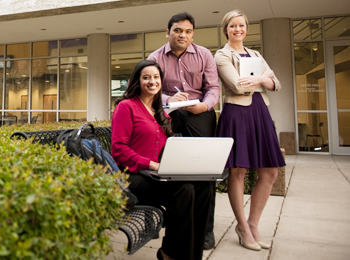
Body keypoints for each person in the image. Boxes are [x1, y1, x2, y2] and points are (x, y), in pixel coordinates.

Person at [111, 60, 212, 260]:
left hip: (157, 174)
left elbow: (166, 148)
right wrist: (150, 164)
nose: (152, 81)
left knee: (205, 185)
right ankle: (170, 254)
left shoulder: (161, 112)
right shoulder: (126, 107)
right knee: (184, 189)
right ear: (137, 81)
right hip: (133, 175)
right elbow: (118, 149)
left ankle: (193, 254)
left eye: (156, 77)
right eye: (146, 77)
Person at [214, 10, 286, 251]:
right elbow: (237, 86)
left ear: (246, 28)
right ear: (226, 29)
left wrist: (265, 81)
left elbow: (277, 85)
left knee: (271, 172)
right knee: (238, 172)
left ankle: (253, 225)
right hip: (237, 114)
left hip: (260, 113)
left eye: (241, 25)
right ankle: (243, 227)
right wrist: (263, 79)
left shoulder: (255, 54)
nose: (238, 30)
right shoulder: (222, 55)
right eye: (233, 26)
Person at [147, 12, 220, 250]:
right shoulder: (155, 57)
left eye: (188, 31)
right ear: (168, 33)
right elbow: (150, 90)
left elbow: (213, 88)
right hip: (168, 112)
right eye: (178, 30)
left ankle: (205, 229)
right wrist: (169, 98)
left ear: (192, 35)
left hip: (199, 112)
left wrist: (205, 105)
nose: (183, 35)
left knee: (205, 170)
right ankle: (158, 220)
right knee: (164, 164)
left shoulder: (204, 54)